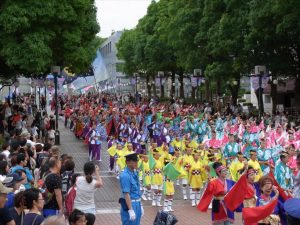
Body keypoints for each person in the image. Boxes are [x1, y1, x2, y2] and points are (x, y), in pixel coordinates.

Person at [119, 153, 143, 225]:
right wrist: (130, 210)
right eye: (134, 161)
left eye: (137, 161)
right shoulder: (125, 175)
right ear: (127, 162)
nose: (136, 163)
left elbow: (137, 191)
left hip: (137, 203)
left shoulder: (134, 173)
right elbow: (126, 194)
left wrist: (140, 205)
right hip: (130, 204)